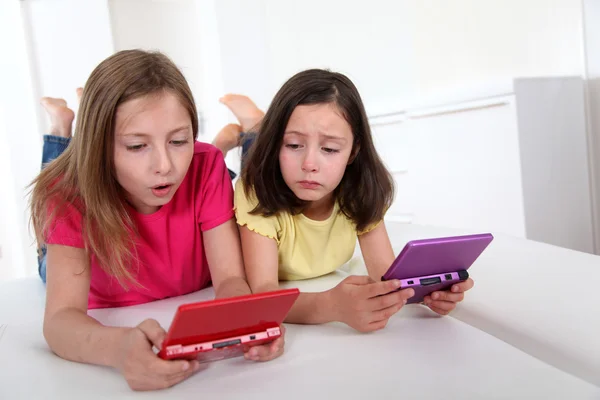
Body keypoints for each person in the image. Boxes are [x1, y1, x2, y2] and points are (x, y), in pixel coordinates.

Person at [29, 50, 283, 391]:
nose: (164, 165)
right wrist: (119, 349)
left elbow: (231, 279)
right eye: (137, 146)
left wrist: (248, 323)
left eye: (179, 141)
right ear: (100, 148)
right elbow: (59, 320)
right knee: (50, 244)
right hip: (77, 260)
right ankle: (62, 130)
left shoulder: (206, 165)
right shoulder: (68, 197)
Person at [233, 69, 475, 333]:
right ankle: (250, 126)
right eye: (293, 145)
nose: (310, 165)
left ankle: (258, 127)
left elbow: (386, 276)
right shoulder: (254, 190)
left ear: (353, 152)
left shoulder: (360, 189)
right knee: (252, 149)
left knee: (276, 149)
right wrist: (330, 306)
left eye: (329, 149)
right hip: (267, 168)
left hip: (291, 162)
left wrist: (431, 292)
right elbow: (263, 292)